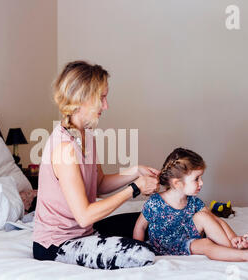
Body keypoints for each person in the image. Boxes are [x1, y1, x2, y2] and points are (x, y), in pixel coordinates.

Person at [32, 61, 159, 269]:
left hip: (86, 233)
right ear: (81, 98)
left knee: (155, 219)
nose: (106, 105)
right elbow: (85, 216)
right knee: (141, 254)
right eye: (101, 97)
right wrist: (135, 188)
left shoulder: (86, 135)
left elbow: (98, 184)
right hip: (58, 245)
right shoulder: (65, 148)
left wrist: (135, 171)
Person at [133, 147, 248, 262]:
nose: (201, 183)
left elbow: (216, 221)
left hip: (186, 237)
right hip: (165, 246)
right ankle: (244, 256)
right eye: (196, 179)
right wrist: (138, 251)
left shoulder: (194, 202)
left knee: (204, 216)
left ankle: (233, 245)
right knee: (206, 244)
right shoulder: (155, 202)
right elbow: (140, 226)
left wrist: (233, 237)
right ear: (178, 183)